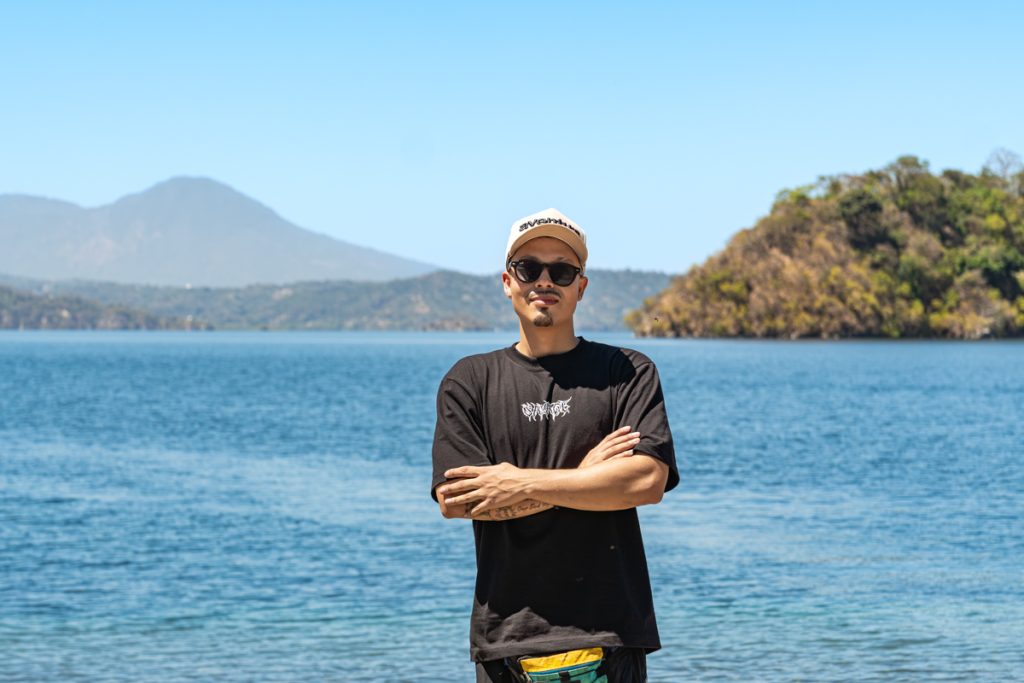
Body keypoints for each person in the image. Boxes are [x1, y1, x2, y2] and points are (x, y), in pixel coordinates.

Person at [431, 208, 679, 683]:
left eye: (561, 271)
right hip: (506, 641)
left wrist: (516, 481)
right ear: (508, 281)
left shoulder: (625, 372)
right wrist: (590, 478)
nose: (545, 281)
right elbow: (458, 500)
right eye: (529, 269)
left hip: (608, 637)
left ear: (580, 286)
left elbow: (647, 480)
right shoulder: (469, 381)